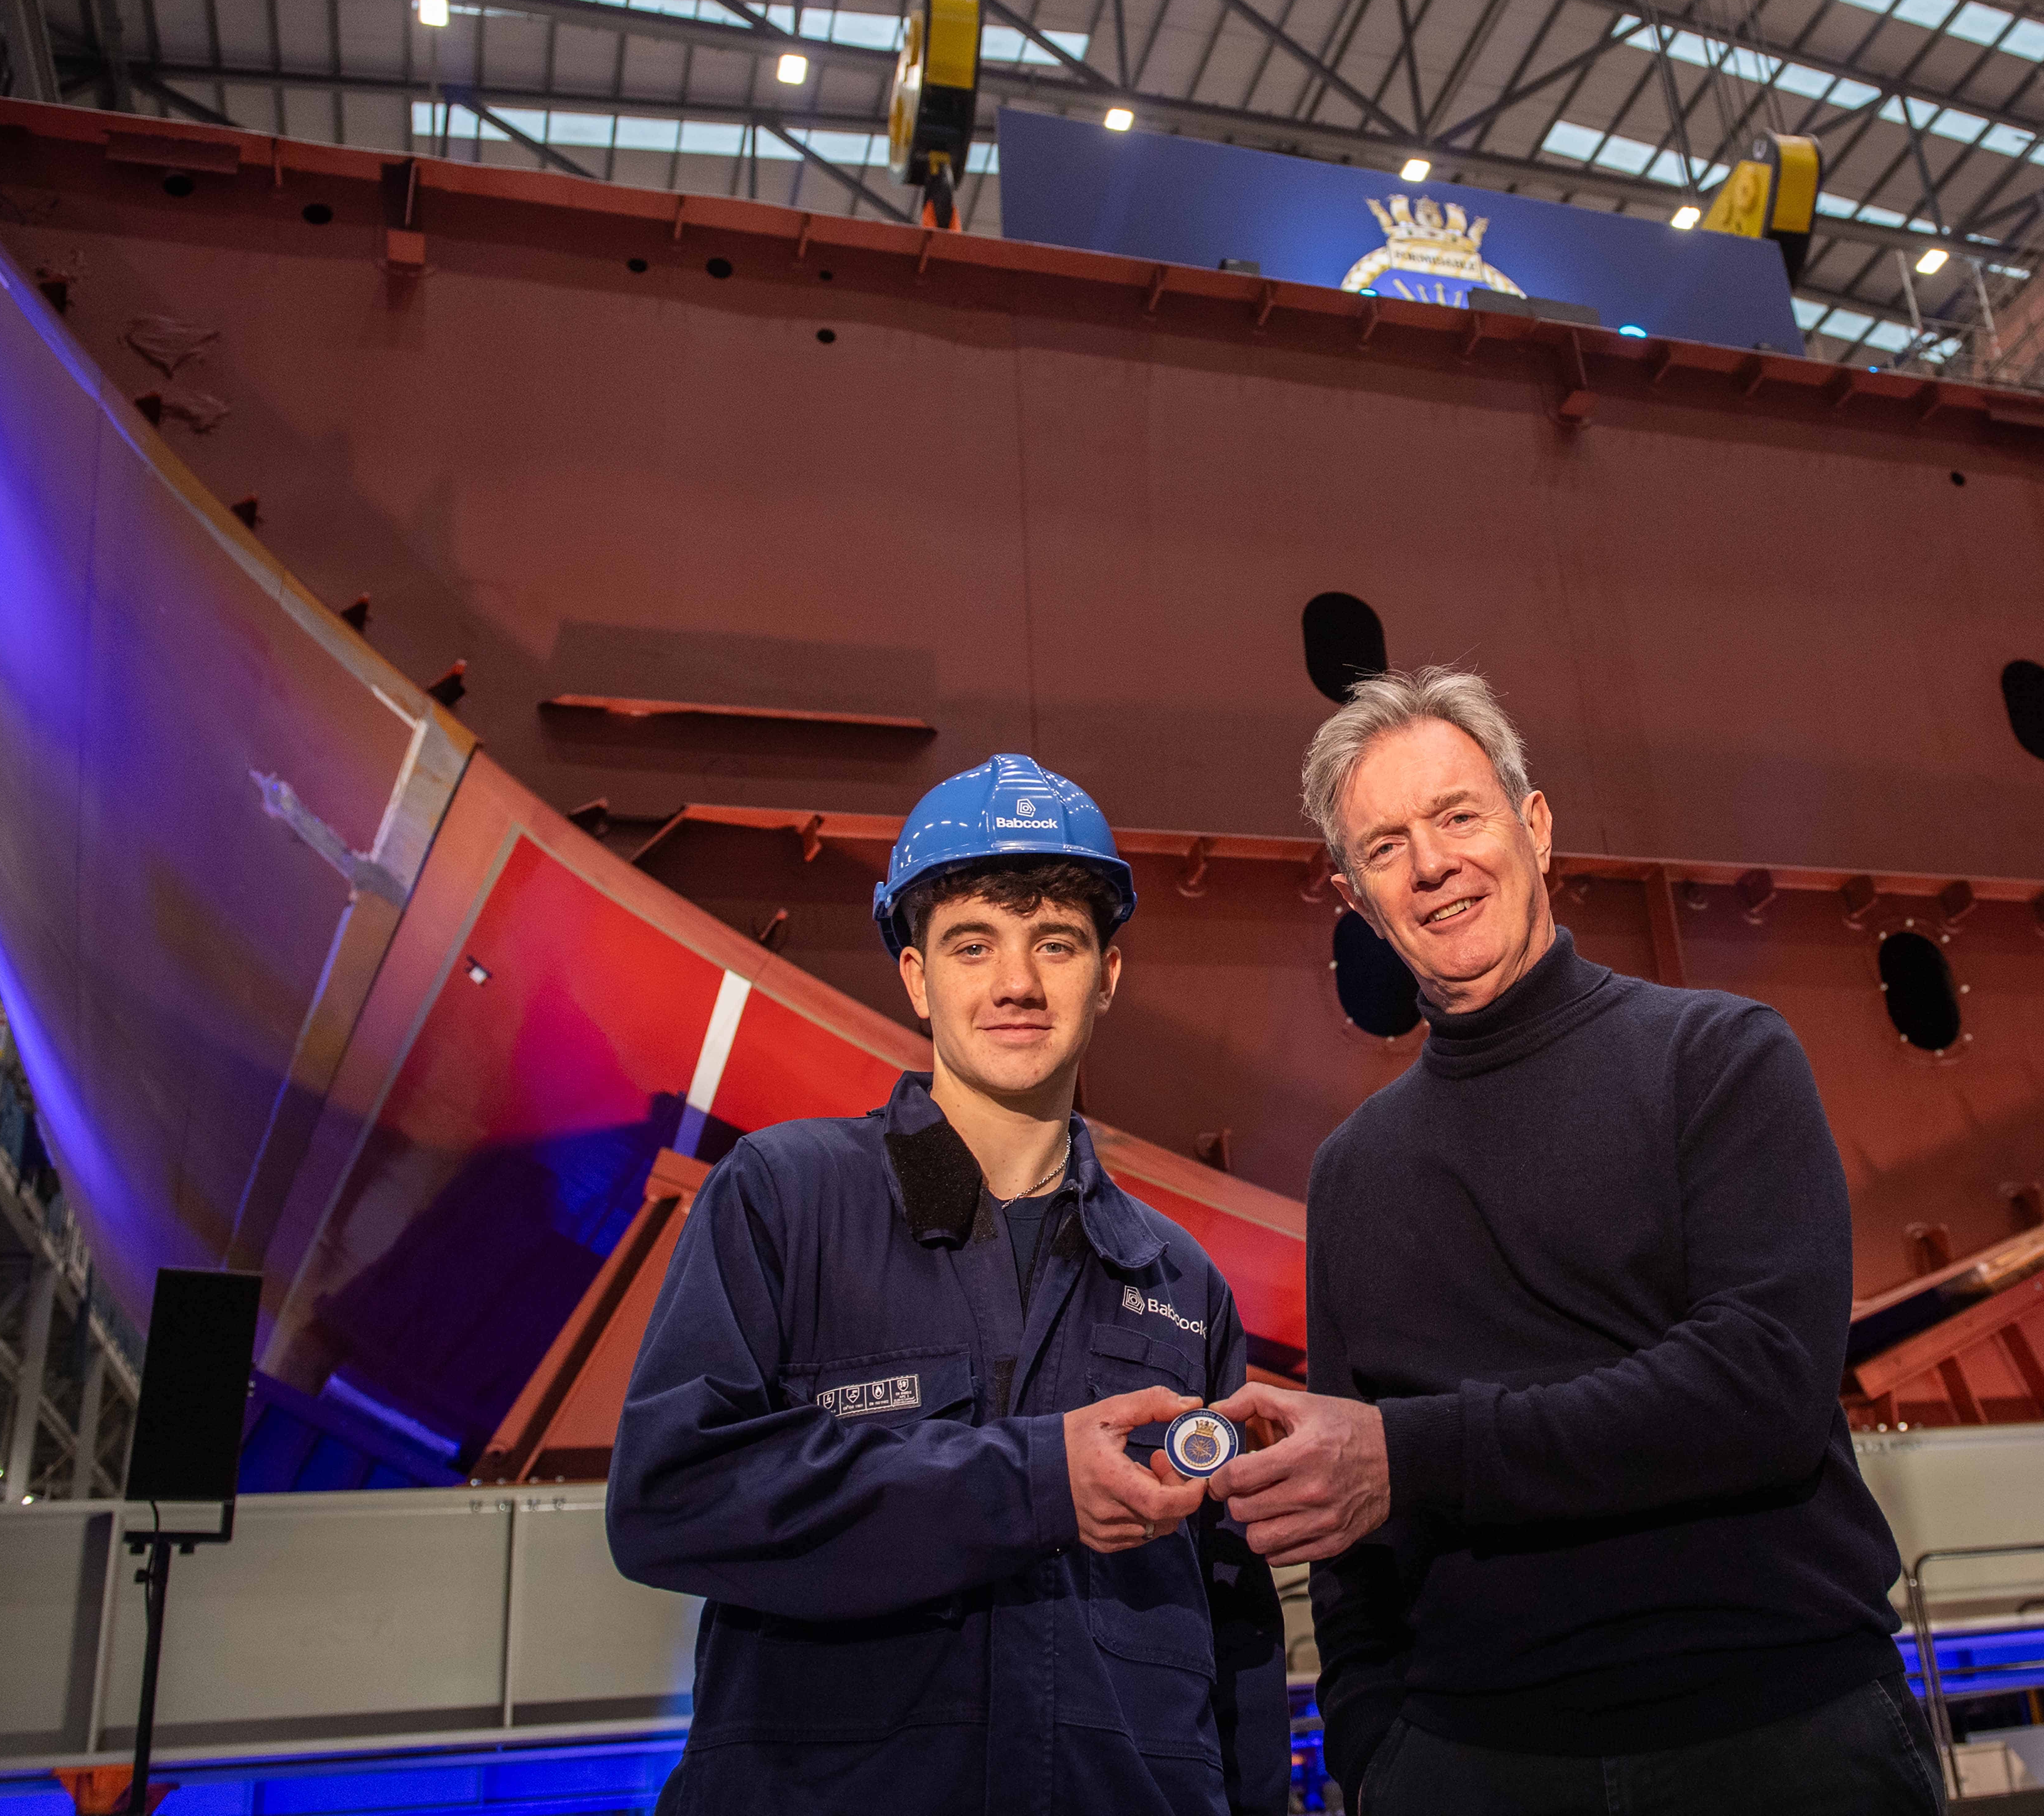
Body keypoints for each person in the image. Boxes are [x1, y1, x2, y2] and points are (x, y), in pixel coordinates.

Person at [1207, 669, 1938, 1816]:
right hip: (1470, 1769)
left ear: (1534, 827)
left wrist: (1413, 1456)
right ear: (1356, 899)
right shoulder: (1354, 1173)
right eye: (1387, 847)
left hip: (1780, 1738)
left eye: (1459, 816)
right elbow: (1356, 1539)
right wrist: (1376, 1749)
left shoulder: (1722, 1058)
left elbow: (1762, 1392)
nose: (1433, 864)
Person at [606, 753, 1288, 1816]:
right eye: (974, 945)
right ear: (919, 977)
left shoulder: (1179, 1281)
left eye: (1055, 943)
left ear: (1108, 975)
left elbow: (1233, 1623)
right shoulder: (788, 1198)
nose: (1018, 983)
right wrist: (1034, 1481)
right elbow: (672, 1497)